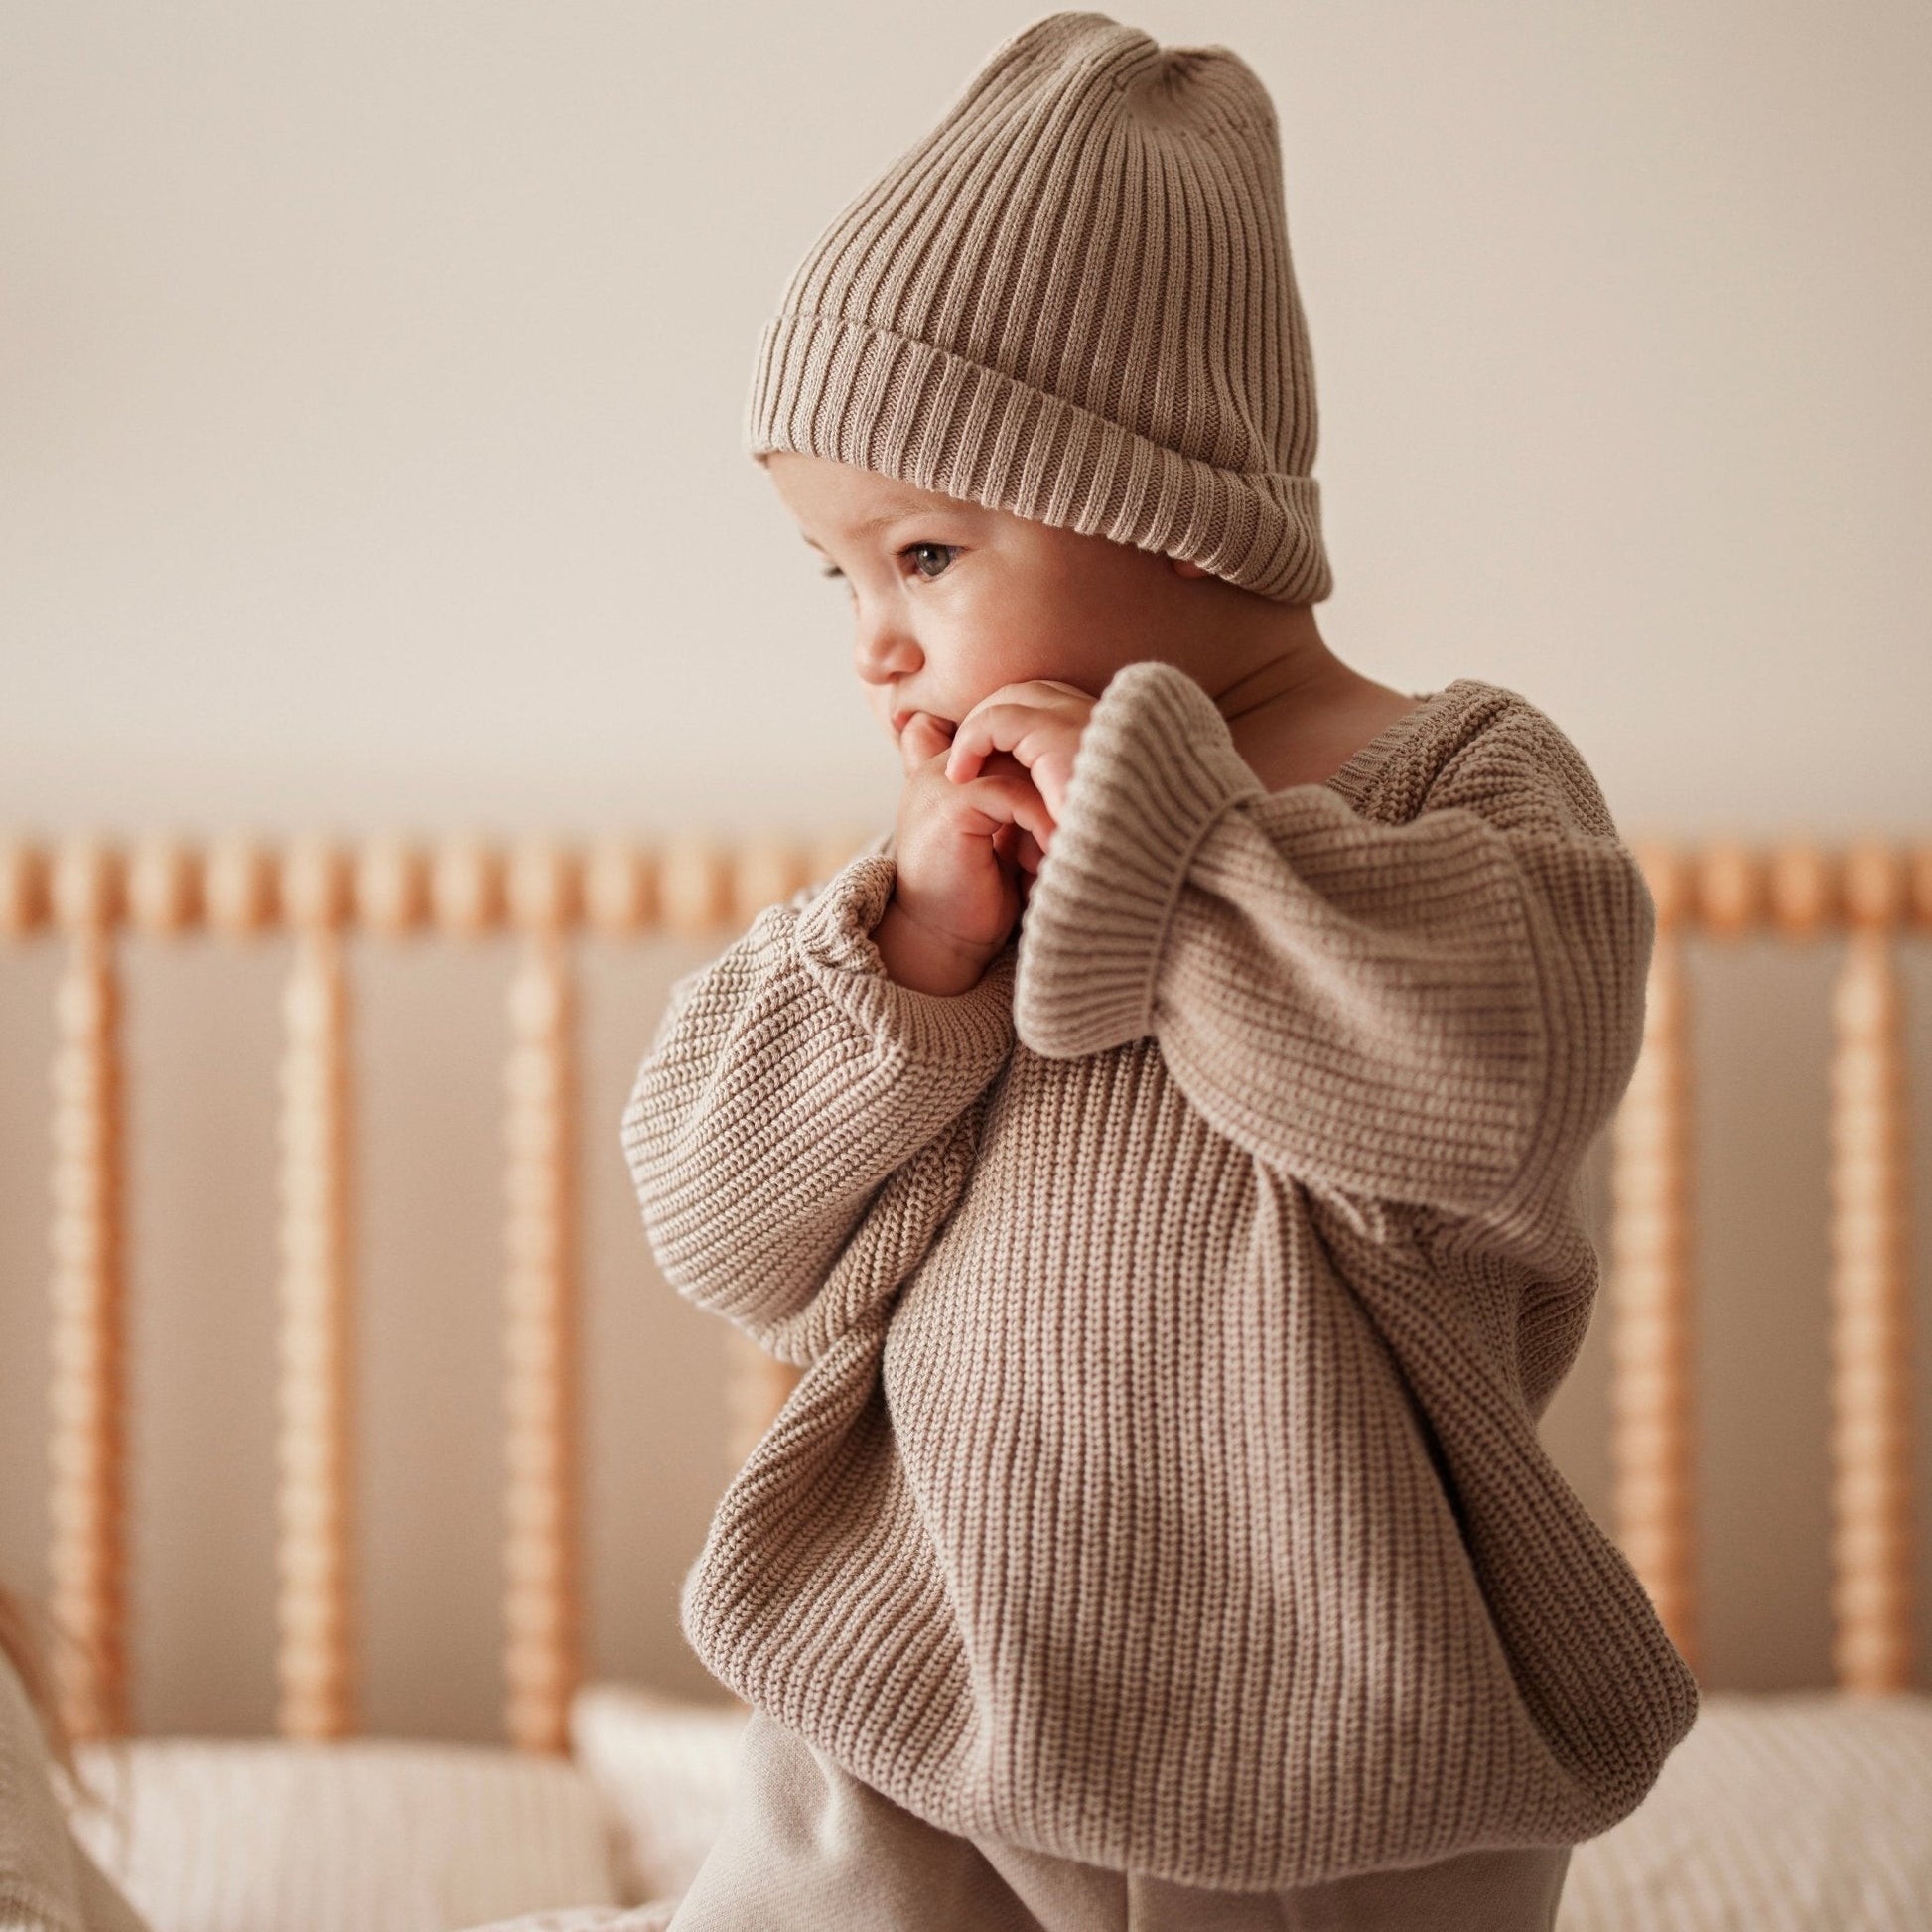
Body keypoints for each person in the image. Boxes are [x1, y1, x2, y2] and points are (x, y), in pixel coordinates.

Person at [617, 11, 1699, 1928]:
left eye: (925, 551)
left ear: (1165, 497)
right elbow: (721, 1225)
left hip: (1352, 1711)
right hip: (915, 1669)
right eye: (835, 572)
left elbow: (1483, 1083)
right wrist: (909, 952)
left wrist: (1178, 842)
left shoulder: (1460, 783)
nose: (875, 640)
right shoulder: (955, 855)